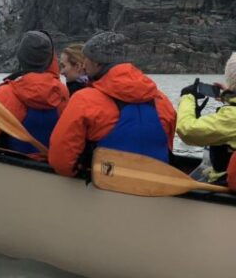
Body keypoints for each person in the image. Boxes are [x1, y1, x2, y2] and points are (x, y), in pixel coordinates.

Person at [48, 32, 176, 177]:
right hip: (155, 189)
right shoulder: (163, 102)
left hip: (105, 188)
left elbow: (61, 161)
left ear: (97, 63)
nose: (83, 65)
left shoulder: (83, 100)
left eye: (87, 59)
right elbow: (167, 147)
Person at [175, 53, 236, 183]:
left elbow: (187, 131)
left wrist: (187, 97)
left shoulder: (232, 117)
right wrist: (229, 96)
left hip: (225, 185)